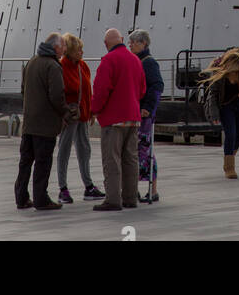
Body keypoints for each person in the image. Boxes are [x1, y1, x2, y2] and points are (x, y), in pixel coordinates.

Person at [14, 32, 73, 211]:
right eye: (63, 46)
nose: (64, 50)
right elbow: (56, 95)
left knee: (25, 162)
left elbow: (23, 90)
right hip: (45, 126)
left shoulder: (32, 61)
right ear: (55, 47)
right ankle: (41, 199)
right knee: (43, 163)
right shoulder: (52, 66)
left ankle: (21, 197)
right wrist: (66, 112)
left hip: (29, 123)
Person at [90, 27, 146, 211]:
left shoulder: (108, 60)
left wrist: (94, 110)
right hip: (133, 117)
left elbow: (101, 90)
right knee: (130, 158)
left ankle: (113, 199)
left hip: (114, 119)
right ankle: (130, 198)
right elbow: (142, 89)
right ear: (122, 39)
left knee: (112, 159)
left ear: (106, 44)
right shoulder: (135, 60)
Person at [57, 33, 104, 203]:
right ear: (69, 51)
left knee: (85, 150)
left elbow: (87, 90)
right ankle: (62, 188)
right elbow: (60, 93)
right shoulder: (62, 67)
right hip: (69, 117)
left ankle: (88, 186)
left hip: (82, 115)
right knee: (64, 150)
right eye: (79, 50)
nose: (82, 52)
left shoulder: (82, 66)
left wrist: (91, 110)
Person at [200, 47, 239, 179]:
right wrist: (214, 115)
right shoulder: (219, 72)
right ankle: (230, 168)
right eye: (238, 68)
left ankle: (229, 157)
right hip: (226, 105)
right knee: (231, 134)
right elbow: (212, 95)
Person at [129, 29, 164, 202]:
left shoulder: (148, 63)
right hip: (138, 112)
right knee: (138, 150)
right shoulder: (138, 60)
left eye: (134, 43)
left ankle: (152, 189)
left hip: (144, 115)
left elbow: (157, 85)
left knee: (144, 151)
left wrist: (148, 108)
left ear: (143, 43)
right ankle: (136, 187)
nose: (131, 46)